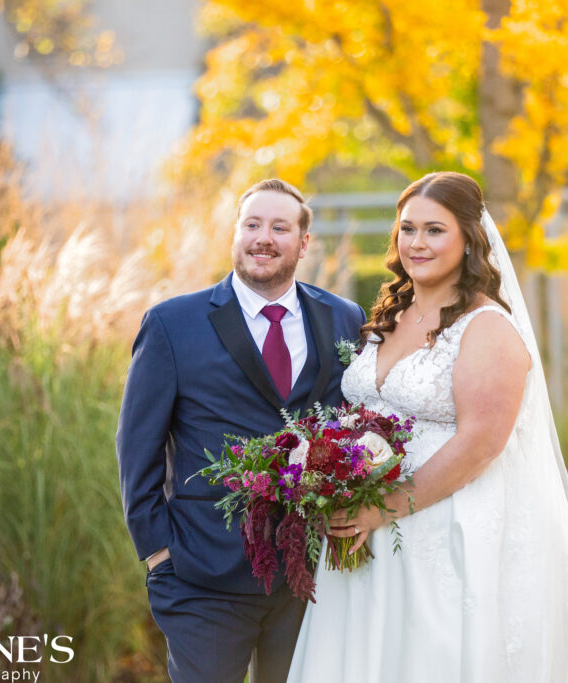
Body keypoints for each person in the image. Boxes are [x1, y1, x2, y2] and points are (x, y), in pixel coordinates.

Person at [287, 172, 568, 681]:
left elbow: (481, 444)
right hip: (369, 534)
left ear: (469, 239)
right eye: (407, 229)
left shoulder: (487, 327)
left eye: (435, 230)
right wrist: (340, 485)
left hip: (446, 526)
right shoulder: (391, 316)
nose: (417, 243)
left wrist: (380, 509)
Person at [116, 179, 366, 683]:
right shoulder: (173, 324)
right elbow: (136, 445)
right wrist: (158, 553)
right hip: (202, 574)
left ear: (302, 242)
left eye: (280, 227)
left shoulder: (343, 318)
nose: (263, 238)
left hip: (309, 576)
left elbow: (355, 425)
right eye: (252, 224)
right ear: (235, 233)